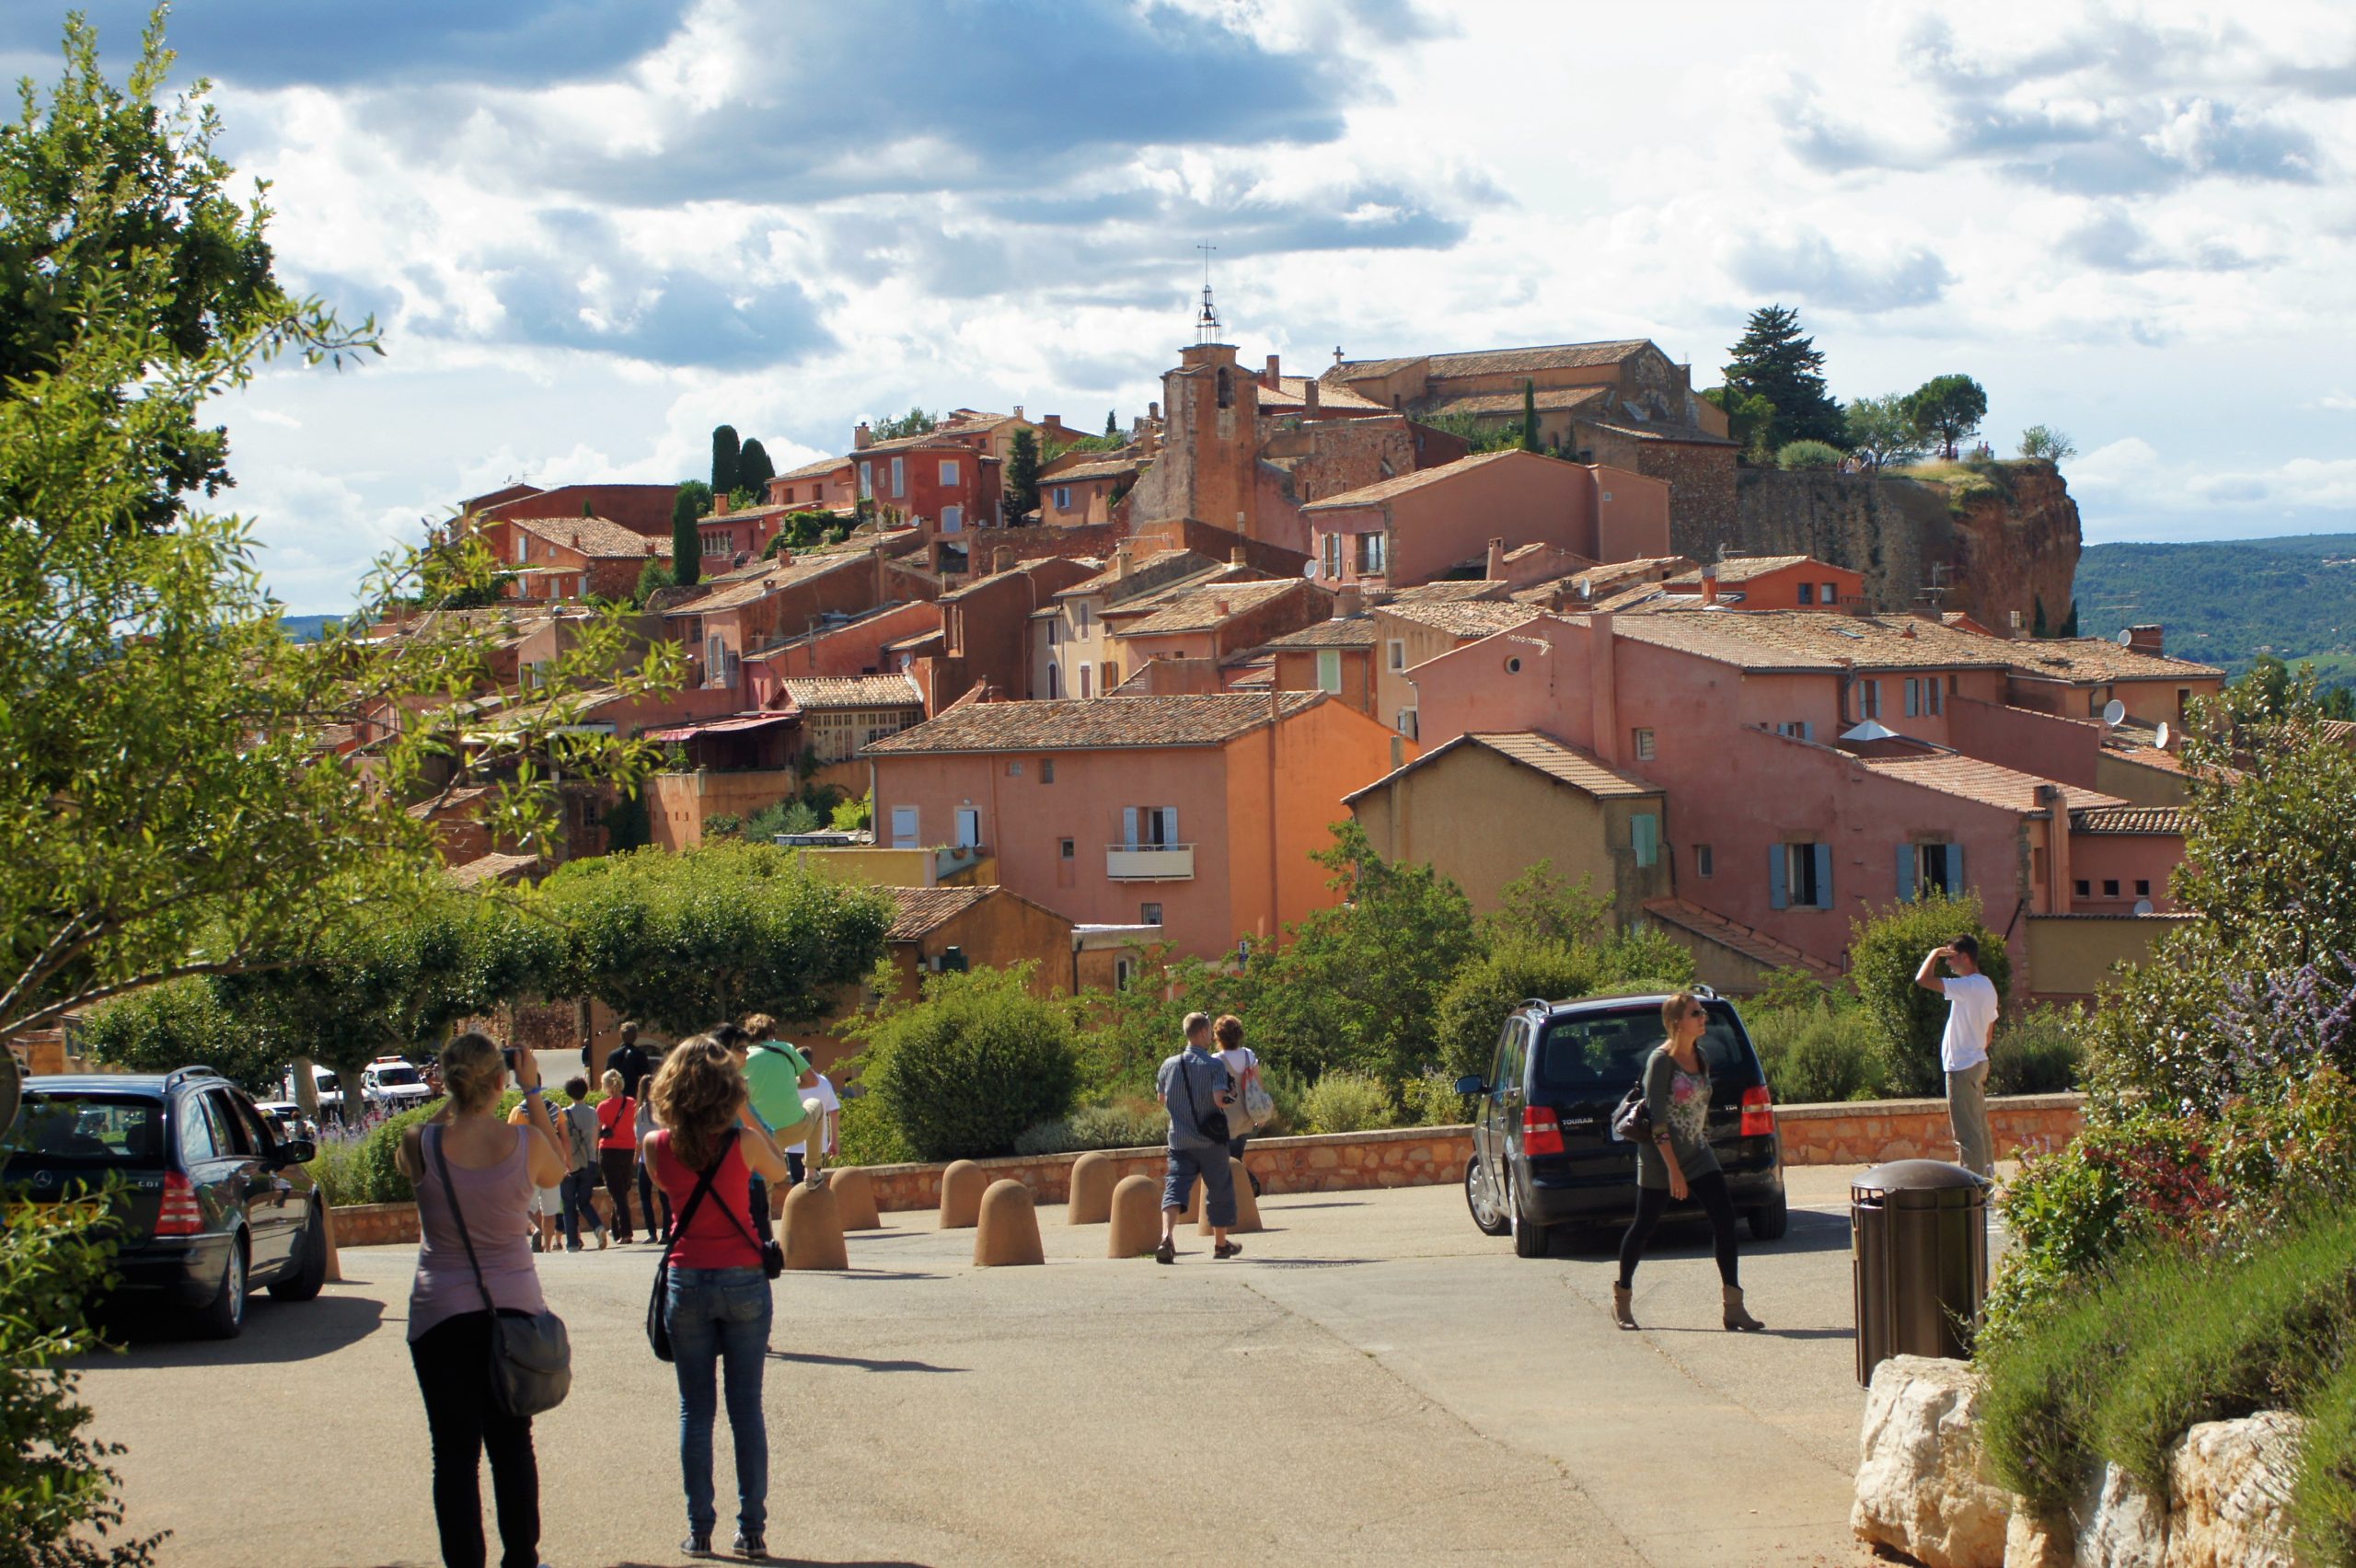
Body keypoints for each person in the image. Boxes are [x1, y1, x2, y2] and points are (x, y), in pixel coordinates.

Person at [396, 1032, 567, 1568]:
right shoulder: (525, 1145)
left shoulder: (417, 1141)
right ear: (500, 1081)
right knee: (513, 1445)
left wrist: (460, 1096)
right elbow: (559, 1171)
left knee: (452, 1455)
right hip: (512, 1309)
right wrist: (531, 1090)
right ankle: (521, 1558)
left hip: (438, 1313)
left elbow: (420, 1161)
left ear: (447, 1080)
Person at [644, 1035, 791, 1562]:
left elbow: (668, 1189)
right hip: (744, 1277)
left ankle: (699, 1529)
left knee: (696, 1411)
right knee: (746, 1409)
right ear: (729, 1088)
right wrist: (746, 1114)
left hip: (688, 1279)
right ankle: (752, 1529)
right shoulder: (742, 1142)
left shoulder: (656, 1146)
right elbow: (781, 1172)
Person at [1612, 992, 1764, 1333]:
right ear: (1676, 1022)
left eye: (1703, 1012)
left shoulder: (1702, 1056)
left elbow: (1698, 1106)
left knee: (1725, 1219)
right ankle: (1621, 1297)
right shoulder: (1661, 1062)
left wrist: (1699, 1141)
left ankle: (1734, 1308)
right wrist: (1673, 1171)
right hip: (1660, 1158)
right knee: (1644, 1226)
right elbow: (1656, 1120)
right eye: (1696, 1013)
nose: (1703, 1017)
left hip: (1697, 1151)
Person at [1154, 1012, 1242, 1264]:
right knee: (1219, 1188)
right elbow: (1219, 1100)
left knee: (1175, 1187)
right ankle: (1220, 1244)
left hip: (1179, 1140)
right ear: (1202, 1033)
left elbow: (1162, 1100)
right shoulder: (1214, 1066)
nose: (1212, 1037)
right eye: (1210, 1033)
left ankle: (1166, 1237)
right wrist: (1232, 1093)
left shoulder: (1169, 1065)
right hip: (1210, 1141)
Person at [1916, 935, 1999, 1176]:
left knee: (1967, 1134)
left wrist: (1933, 953)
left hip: (1962, 1067)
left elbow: (1923, 979)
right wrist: (1976, 1050)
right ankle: (1987, 1189)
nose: (1948, 963)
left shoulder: (1968, 986)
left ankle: (1973, 1191)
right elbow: (1990, 1031)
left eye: (1951, 957)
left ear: (1965, 957)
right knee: (1980, 1131)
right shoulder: (1986, 985)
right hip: (1977, 1062)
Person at [735, 1016, 811, 1224]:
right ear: (772, 1032)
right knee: (816, 1106)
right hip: (795, 1127)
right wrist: (790, 1082)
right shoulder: (786, 1048)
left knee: (763, 1184)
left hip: (762, 1133)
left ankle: (764, 1231)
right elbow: (811, 1080)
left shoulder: (744, 1057)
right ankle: (812, 1170)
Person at [608, 1021, 658, 1234]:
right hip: (633, 1103)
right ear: (636, 1036)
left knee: (617, 1184)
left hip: (617, 1105)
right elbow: (645, 1079)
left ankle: (617, 1226)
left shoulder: (613, 1055)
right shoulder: (639, 1056)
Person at [556, 1077, 609, 1251]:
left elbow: (562, 1139)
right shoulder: (592, 1112)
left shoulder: (564, 1113)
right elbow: (595, 1137)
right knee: (584, 1201)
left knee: (569, 1203)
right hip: (589, 1161)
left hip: (570, 1162)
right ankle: (598, 1227)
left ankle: (572, 1244)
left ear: (568, 1093)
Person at [507, 1098, 559, 1254]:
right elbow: (564, 1136)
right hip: (550, 1161)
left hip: (528, 1164)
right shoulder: (554, 1108)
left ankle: (534, 1229)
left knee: (525, 1208)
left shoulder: (518, 1111)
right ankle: (548, 1247)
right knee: (550, 1210)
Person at [595, 1067, 640, 1243]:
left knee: (617, 1193)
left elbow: (597, 1130)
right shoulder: (632, 1103)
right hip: (628, 1150)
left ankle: (626, 1232)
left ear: (606, 1086)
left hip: (609, 1151)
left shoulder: (603, 1107)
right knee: (621, 1191)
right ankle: (617, 1230)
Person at [783, 1054, 839, 1186]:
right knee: (814, 1183)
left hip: (794, 1142)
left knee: (797, 1185)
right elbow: (834, 1111)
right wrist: (834, 1141)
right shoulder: (824, 1082)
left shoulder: (790, 1083)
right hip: (818, 1143)